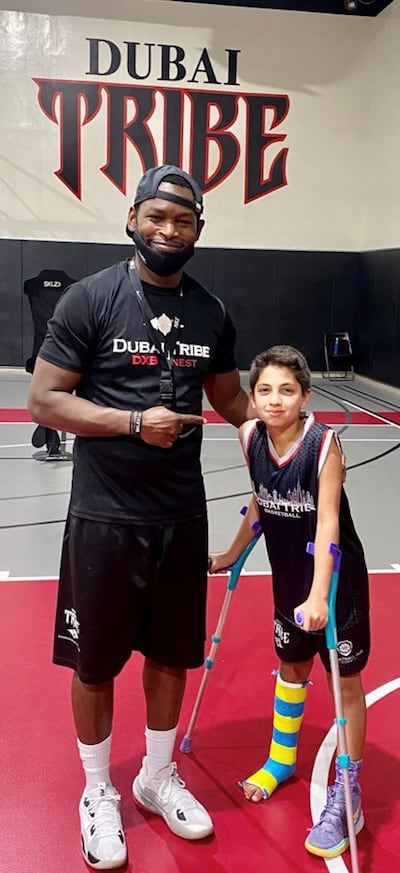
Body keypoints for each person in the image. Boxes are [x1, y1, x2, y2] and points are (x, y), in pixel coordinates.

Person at [28, 165, 253, 870]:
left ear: (198, 232)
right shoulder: (90, 300)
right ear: (132, 219)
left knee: (168, 655)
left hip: (180, 516)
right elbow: (44, 400)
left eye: (182, 221)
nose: (168, 231)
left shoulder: (212, 311)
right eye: (157, 217)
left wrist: (289, 446)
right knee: (94, 664)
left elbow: (232, 400)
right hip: (104, 516)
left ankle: (156, 775)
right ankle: (98, 789)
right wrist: (130, 421)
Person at [209, 344, 370, 859]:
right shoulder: (249, 434)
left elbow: (327, 525)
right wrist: (233, 551)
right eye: (264, 391)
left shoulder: (325, 446)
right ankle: (280, 761)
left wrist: (319, 594)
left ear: (304, 397)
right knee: (291, 667)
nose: (274, 400)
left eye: (286, 391)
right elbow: (261, 496)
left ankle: (349, 796)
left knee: (342, 683)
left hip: (334, 584)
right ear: (252, 398)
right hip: (287, 579)